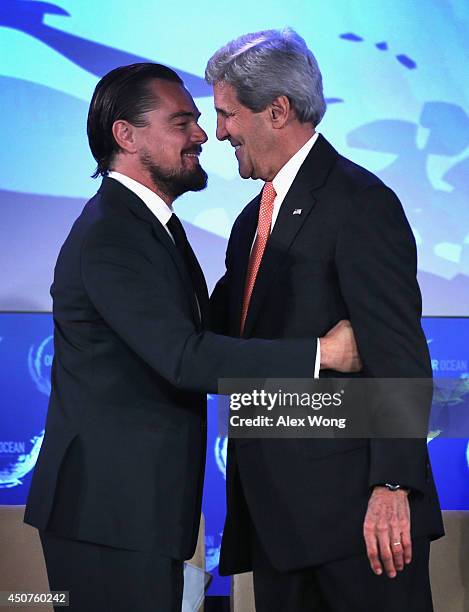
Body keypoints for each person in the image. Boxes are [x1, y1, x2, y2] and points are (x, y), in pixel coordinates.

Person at [24, 63, 359, 612]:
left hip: (133, 514)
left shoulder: (150, 225)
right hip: (106, 517)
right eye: (183, 122)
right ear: (126, 136)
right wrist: (324, 354)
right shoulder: (114, 234)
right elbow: (185, 357)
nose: (203, 135)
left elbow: (205, 326)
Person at [205, 29, 444, 611]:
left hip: (357, 524)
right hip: (277, 522)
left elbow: (399, 353)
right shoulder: (248, 222)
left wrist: (392, 486)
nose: (219, 132)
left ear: (278, 111)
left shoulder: (360, 203)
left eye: (228, 113)